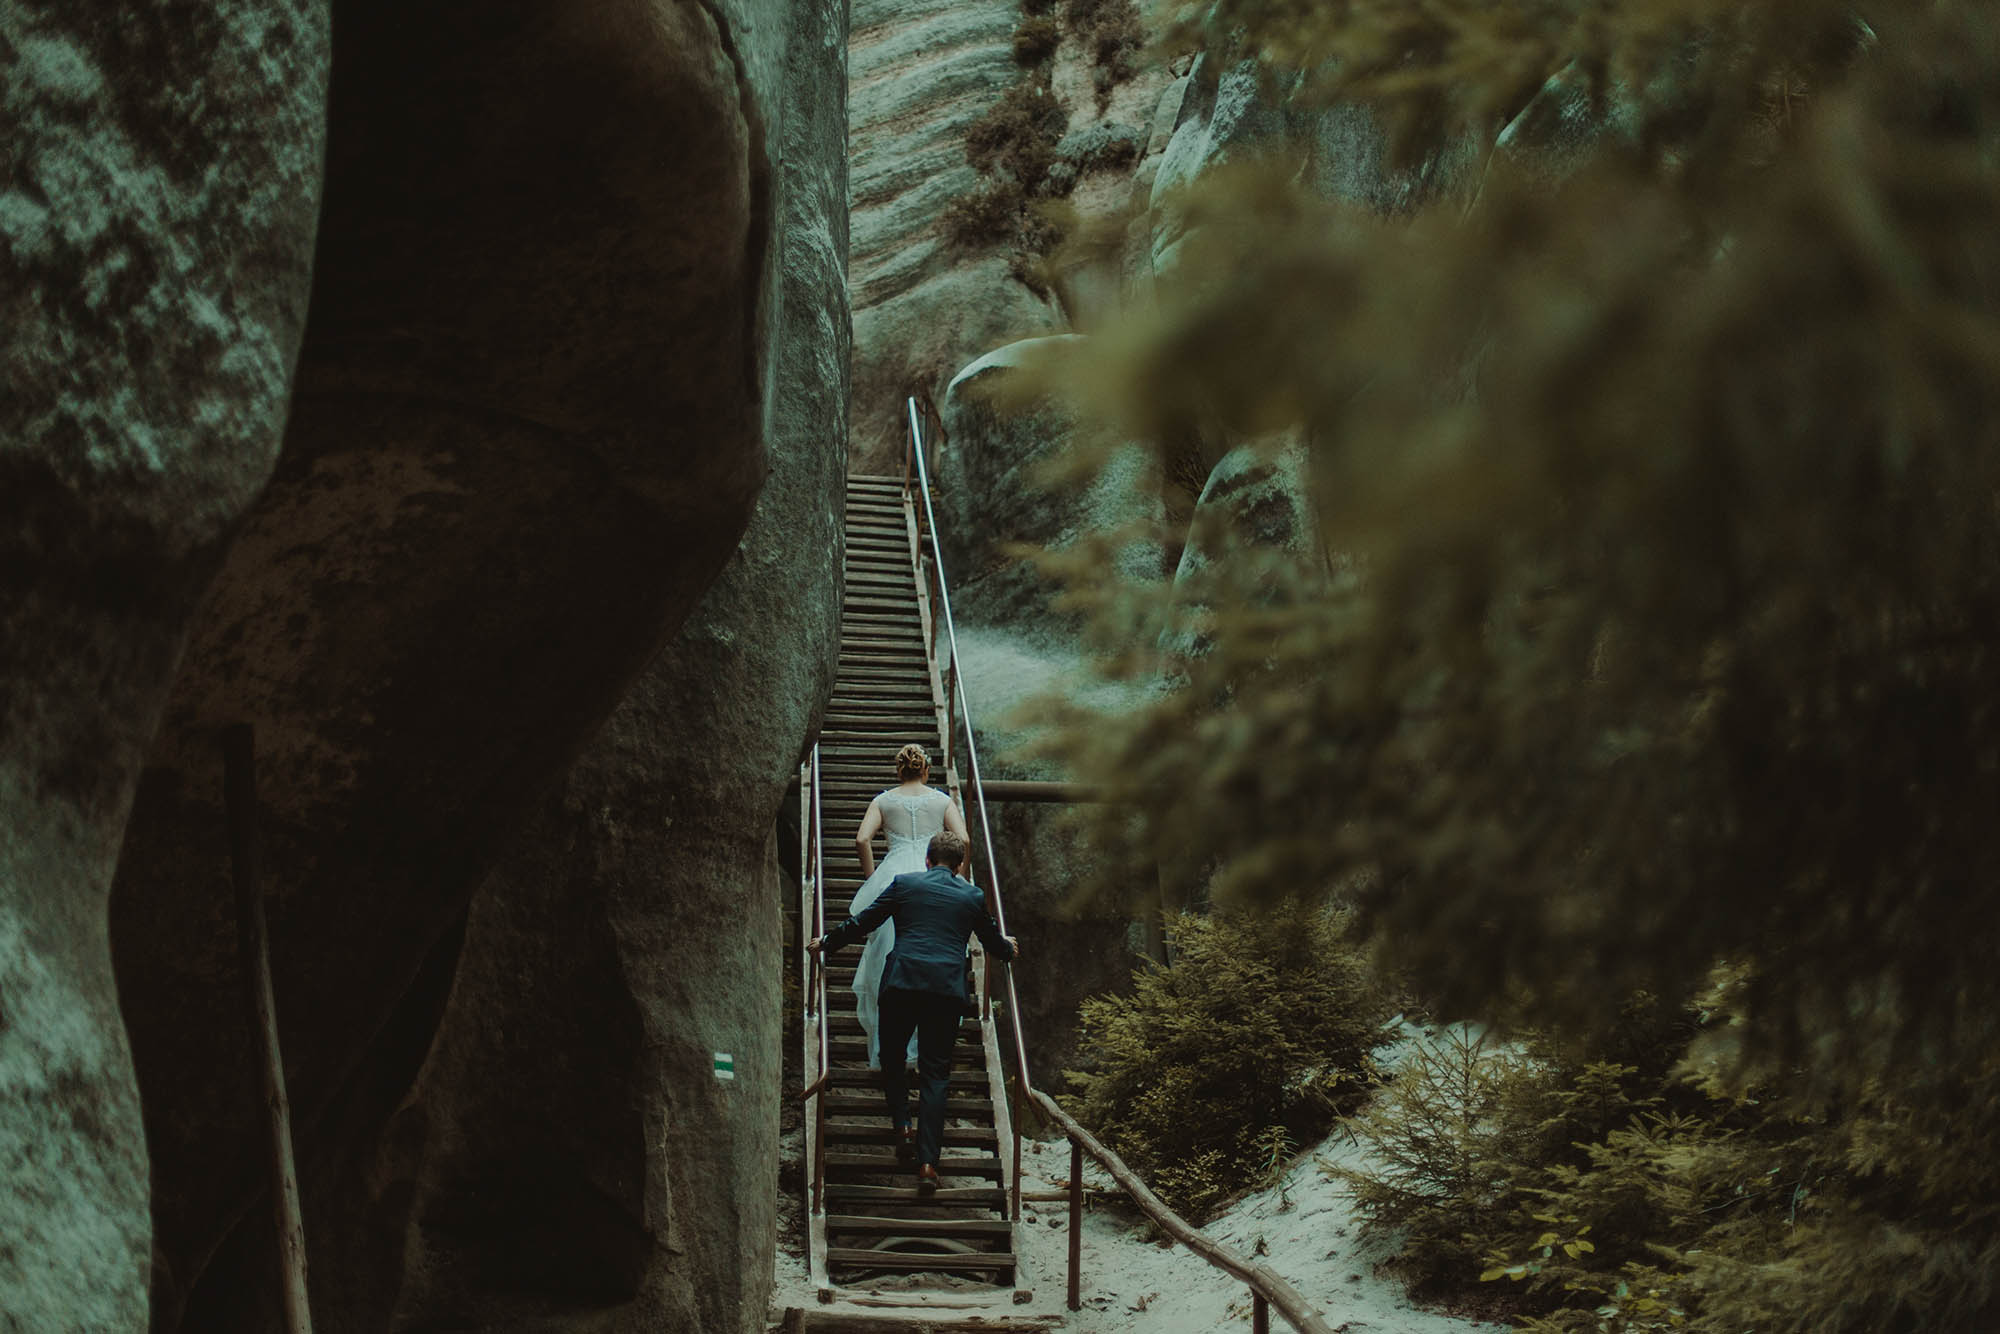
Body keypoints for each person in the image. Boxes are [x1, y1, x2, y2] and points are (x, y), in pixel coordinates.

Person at [810, 830, 1018, 1191]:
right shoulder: (971, 896)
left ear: (927, 859)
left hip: (902, 984)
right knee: (935, 1073)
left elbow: (865, 921)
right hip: (945, 991)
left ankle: (903, 1126)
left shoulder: (905, 884)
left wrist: (827, 942)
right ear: (960, 866)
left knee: (892, 1057)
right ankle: (927, 1165)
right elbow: (991, 941)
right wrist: (1009, 948)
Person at [847, 744, 969, 1069]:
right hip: (934, 873)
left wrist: (873, 879)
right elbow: (964, 839)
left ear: (899, 770)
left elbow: (861, 839)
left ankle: (889, 1046)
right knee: (937, 947)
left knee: (888, 955)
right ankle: (926, 1044)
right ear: (926, 770)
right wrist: (957, 877)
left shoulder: (883, 800)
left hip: (895, 876)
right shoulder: (941, 800)